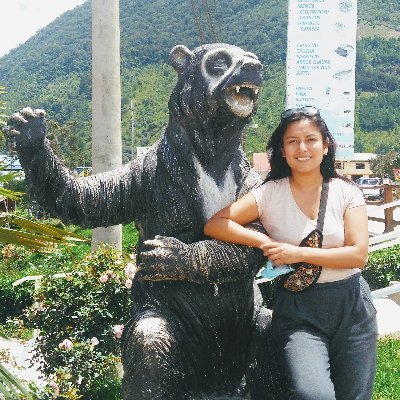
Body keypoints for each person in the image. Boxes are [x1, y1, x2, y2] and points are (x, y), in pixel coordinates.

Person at [204, 106, 378, 400]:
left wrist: (296, 253)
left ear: (325, 146)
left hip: (352, 306)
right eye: (292, 141)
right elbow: (216, 224)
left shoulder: (346, 193)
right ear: (282, 151)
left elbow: (357, 255)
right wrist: (264, 242)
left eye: (311, 139)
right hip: (299, 312)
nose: (302, 148)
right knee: (312, 393)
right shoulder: (269, 194)